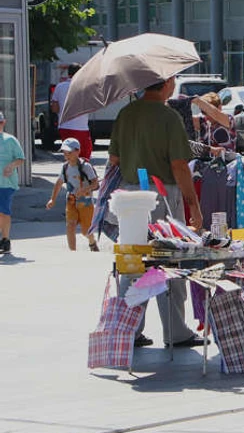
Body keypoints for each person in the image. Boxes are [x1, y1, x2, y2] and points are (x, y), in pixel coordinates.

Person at [109, 77, 205, 349]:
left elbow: (114, 160)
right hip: (162, 195)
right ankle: (176, 331)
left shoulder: (126, 113)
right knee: (169, 260)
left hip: (128, 198)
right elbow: (179, 166)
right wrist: (194, 206)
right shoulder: (168, 116)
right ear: (166, 84)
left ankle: (129, 328)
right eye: (173, 80)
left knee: (133, 261)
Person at [46, 138, 100, 252]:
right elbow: (59, 183)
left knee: (86, 230)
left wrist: (86, 189)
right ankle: (72, 252)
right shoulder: (65, 167)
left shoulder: (86, 167)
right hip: (71, 201)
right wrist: (52, 199)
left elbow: (95, 184)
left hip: (86, 202)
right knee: (70, 226)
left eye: (69, 153)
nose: (66, 156)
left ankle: (92, 241)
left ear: (78, 151)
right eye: (64, 153)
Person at [51, 63, 93, 159]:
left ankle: (70, 172)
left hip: (64, 126)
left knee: (70, 156)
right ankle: (81, 174)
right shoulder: (86, 87)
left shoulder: (60, 86)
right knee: (84, 157)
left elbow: (54, 108)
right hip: (81, 127)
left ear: (68, 73)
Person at [0, 112, 25, 254]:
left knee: (4, 211)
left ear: (3, 123)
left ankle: (5, 239)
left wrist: (11, 166)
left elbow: (21, 158)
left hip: (6, 182)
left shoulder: (10, 140)